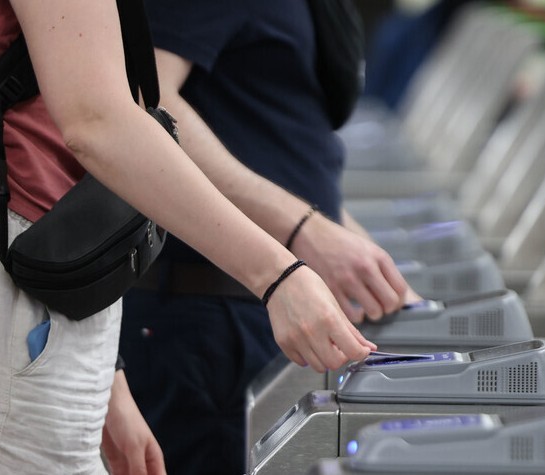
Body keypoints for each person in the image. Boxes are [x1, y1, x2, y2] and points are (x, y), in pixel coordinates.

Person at [0, 0, 397, 472]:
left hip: (52, 283)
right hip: (22, 262)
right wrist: (279, 270)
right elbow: (100, 119)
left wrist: (109, 378)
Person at [117, 1, 420, 473]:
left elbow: (269, 136)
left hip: (260, 300)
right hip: (208, 319)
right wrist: (302, 229)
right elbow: (145, 101)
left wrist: (345, 244)